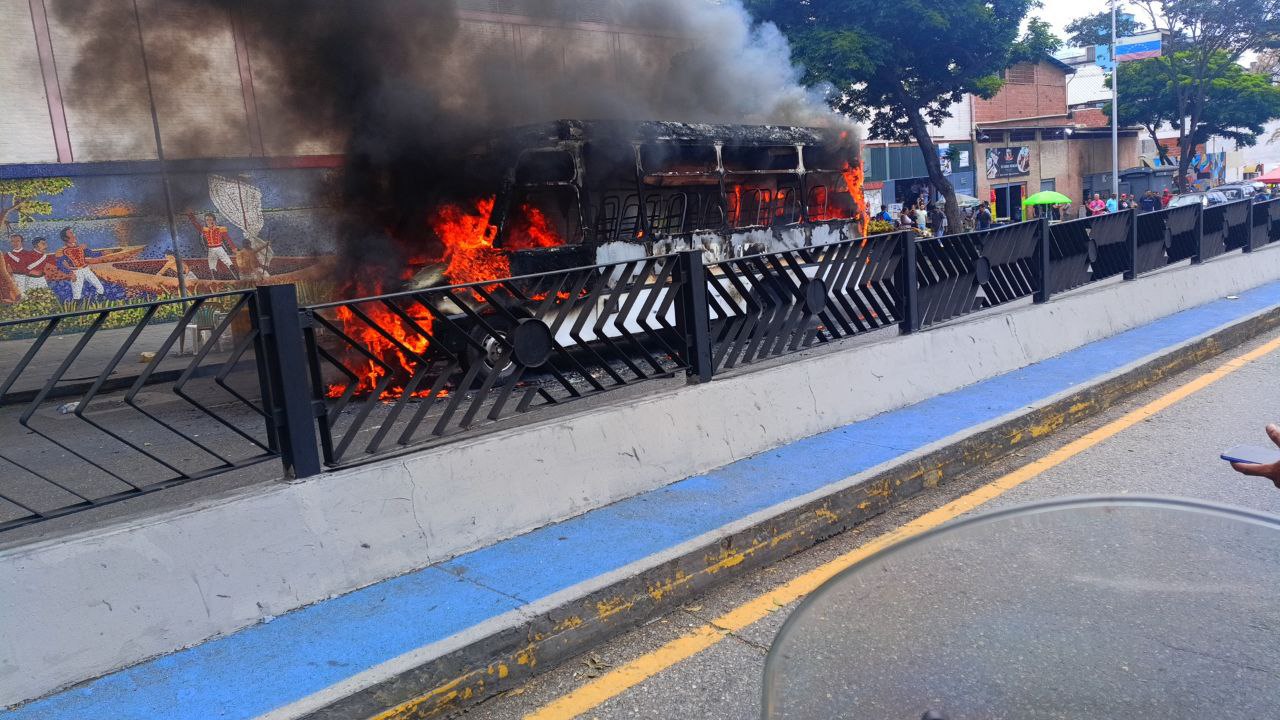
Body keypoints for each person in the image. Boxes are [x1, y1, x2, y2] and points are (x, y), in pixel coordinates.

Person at [185, 211, 240, 280]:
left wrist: (233, 248)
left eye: (210, 219)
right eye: (207, 220)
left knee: (229, 263)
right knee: (212, 267)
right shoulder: (205, 229)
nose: (208, 221)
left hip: (219, 248)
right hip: (211, 250)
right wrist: (191, 216)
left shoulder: (220, 229)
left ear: (214, 220)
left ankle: (238, 279)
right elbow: (196, 225)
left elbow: (228, 239)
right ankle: (216, 283)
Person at [56, 227, 105, 301]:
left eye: (73, 232)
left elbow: (92, 254)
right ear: (65, 238)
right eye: (71, 233)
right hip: (76, 272)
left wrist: (102, 253)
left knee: (100, 288)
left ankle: (98, 302)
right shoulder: (62, 251)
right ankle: (78, 308)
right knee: (77, 295)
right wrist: (70, 273)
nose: (74, 234)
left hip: (86, 269)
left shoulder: (81, 247)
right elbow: (60, 264)